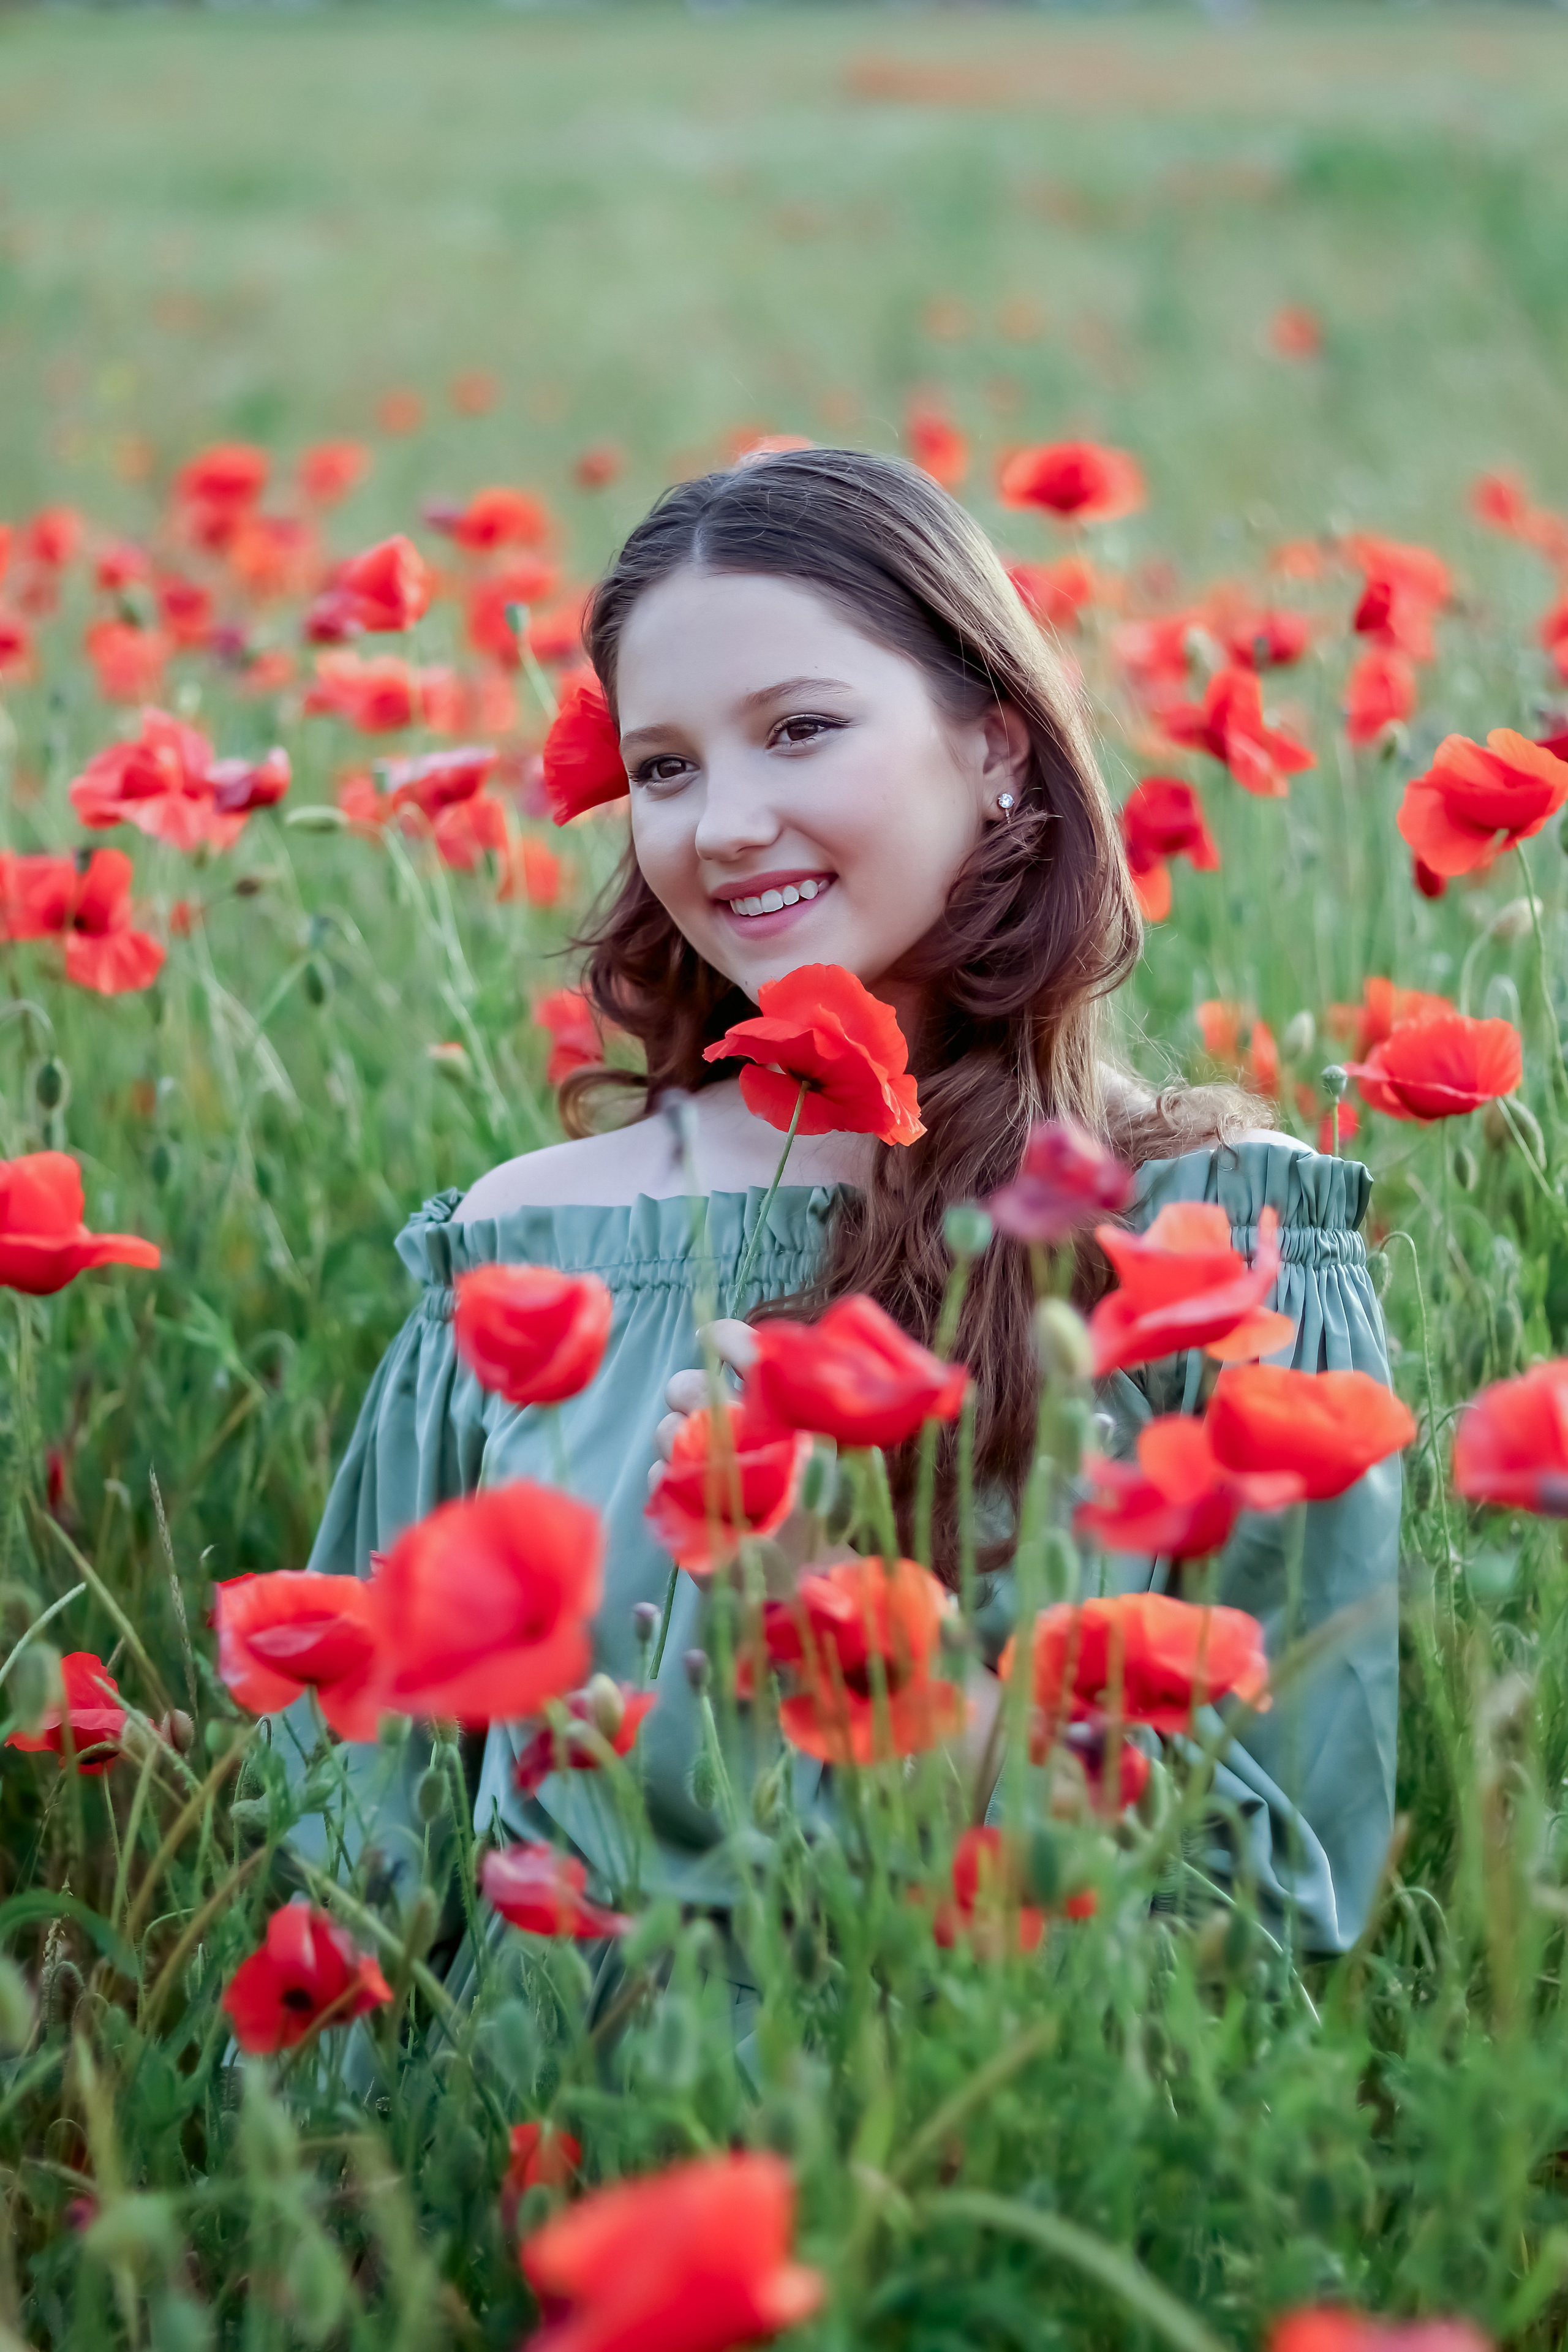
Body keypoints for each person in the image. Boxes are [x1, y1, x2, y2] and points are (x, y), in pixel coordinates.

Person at [307, 448, 1398, 1958]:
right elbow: (362, 1855)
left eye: (799, 730)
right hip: (548, 2150)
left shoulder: (1221, 1261)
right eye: (666, 768)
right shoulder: (525, 1253)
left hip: (997, 2141)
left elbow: (1267, 1926)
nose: (724, 825)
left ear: (996, 745)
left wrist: (862, 1643)